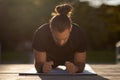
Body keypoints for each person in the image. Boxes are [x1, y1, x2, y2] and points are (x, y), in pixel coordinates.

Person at [32, 3, 87, 73]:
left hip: (71, 62)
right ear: (51, 29)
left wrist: (76, 68)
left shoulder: (79, 34)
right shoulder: (41, 34)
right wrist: (42, 68)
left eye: (65, 39)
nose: (61, 43)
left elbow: (80, 63)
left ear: (70, 29)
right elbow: (38, 63)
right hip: (48, 61)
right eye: (57, 39)